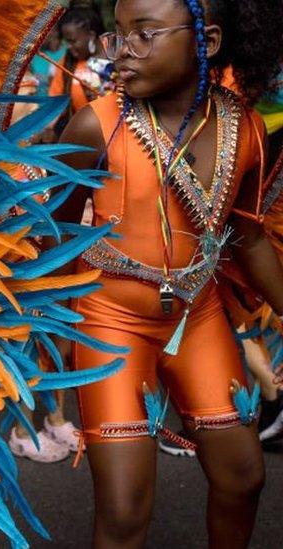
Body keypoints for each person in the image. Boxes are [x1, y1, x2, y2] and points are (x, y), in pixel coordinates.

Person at [55, 0, 283, 546]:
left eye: (144, 34)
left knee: (243, 476)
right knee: (126, 510)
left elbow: (247, 237)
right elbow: (54, 231)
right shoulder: (96, 125)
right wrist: (47, 325)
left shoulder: (245, 129)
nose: (122, 51)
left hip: (198, 318)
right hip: (108, 323)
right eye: (118, 35)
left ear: (205, 43)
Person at [48, 7, 111, 132]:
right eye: (67, 42)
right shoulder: (67, 62)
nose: (69, 47)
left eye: (73, 41)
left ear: (91, 35)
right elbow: (55, 104)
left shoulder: (114, 54)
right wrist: (46, 129)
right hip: (83, 132)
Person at [30, 24, 67, 96]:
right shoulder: (34, 56)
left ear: (55, 30)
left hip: (62, 104)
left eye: (41, 31)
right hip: (39, 104)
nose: (37, 36)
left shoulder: (70, 49)